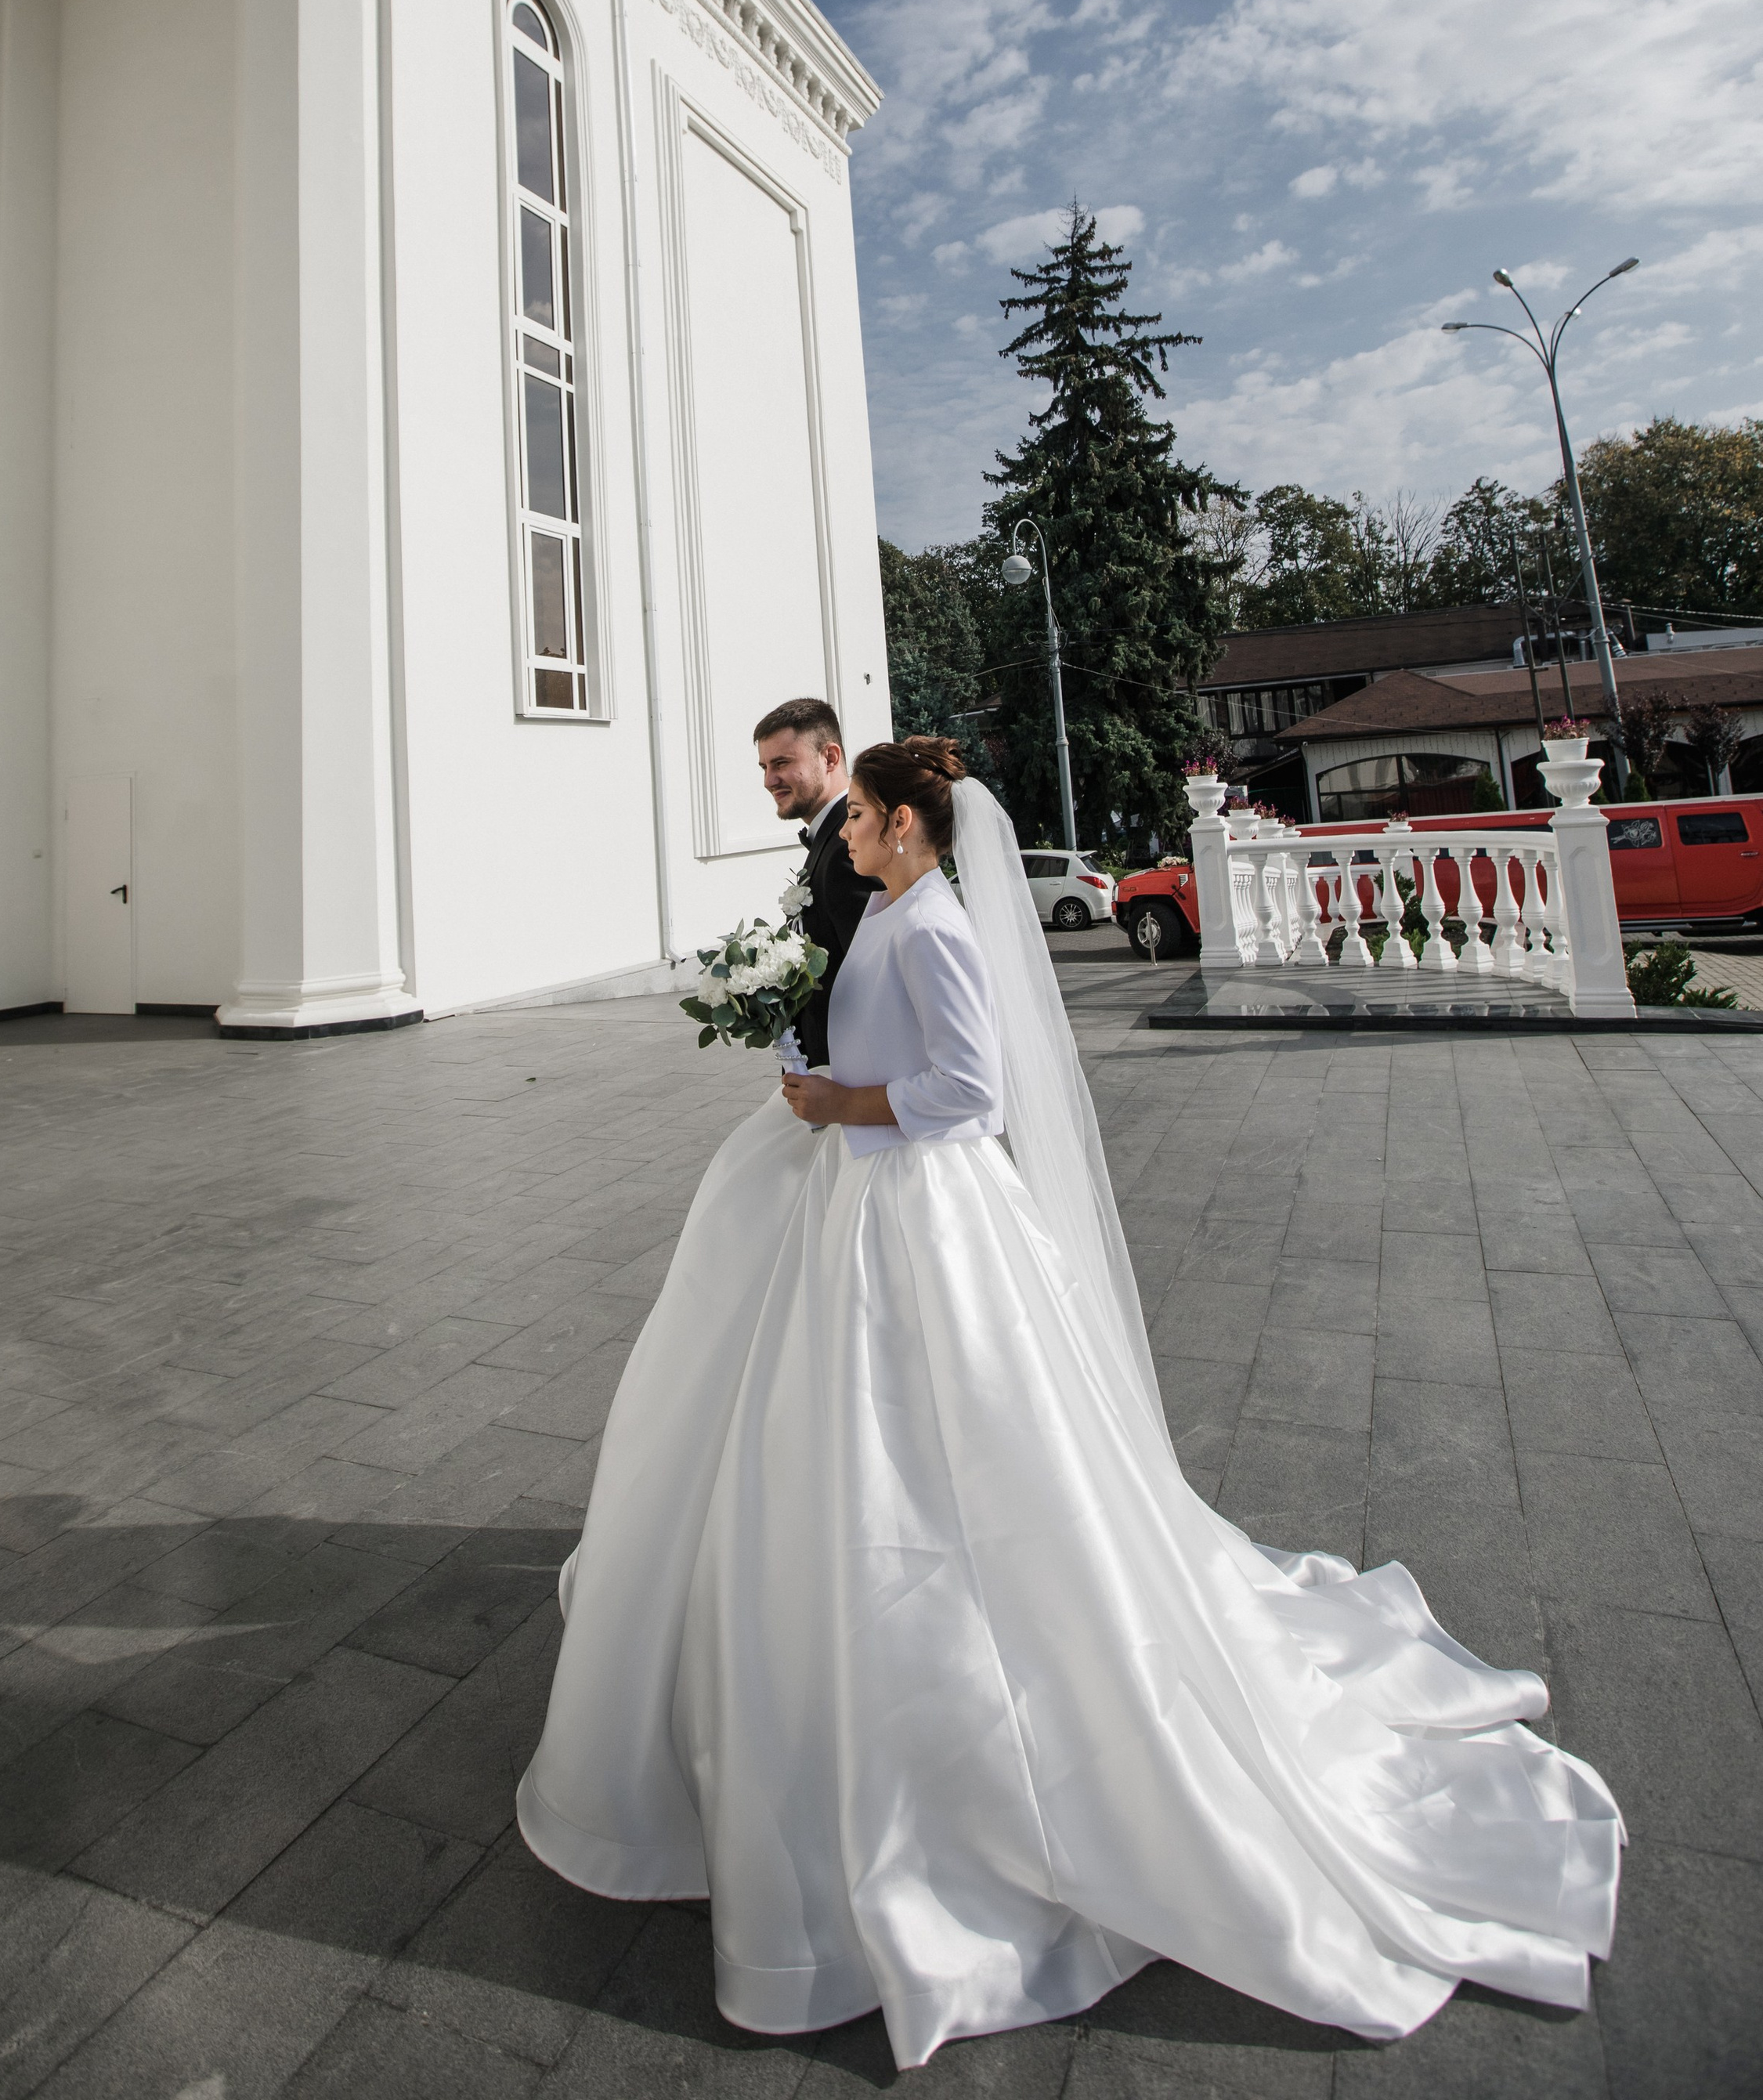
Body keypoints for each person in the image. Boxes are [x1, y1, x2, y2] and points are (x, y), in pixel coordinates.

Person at [518, 739, 1622, 2071]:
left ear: (911, 828)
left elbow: (970, 1094)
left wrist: (841, 1100)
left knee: (929, 1447)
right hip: (862, 1201)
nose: (846, 834)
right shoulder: (892, 910)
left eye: (861, 816)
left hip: (919, 1216)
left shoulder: (938, 931)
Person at [751, 695, 877, 1070]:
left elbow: (875, 980)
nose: (769, 781)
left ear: (830, 758)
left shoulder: (849, 848)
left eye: (782, 763)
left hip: (846, 1072)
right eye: (764, 767)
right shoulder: (830, 839)